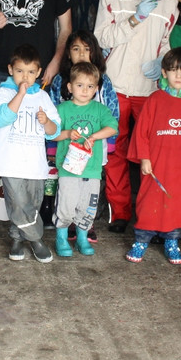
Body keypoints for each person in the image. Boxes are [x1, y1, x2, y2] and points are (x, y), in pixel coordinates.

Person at [93, 0, 179, 234]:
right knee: (114, 151)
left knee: (151, 154)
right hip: (115, 86)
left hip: (149, 90)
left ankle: (149, 215)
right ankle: (119, 211)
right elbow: (101, 38)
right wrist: (134, 19)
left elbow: (165, 41)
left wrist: (162, 61)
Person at [125, 48, 181, 265]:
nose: (178, 75)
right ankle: (141, 241)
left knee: (177, 204)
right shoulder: (155, 99)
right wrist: (144, 157)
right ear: (164, 72)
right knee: (148, 201)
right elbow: (141, 132)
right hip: (156, 165)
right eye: (172, 70)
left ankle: (172, 242)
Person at [0, 44, 62, 262]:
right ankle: (37, 240)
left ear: (38, 72)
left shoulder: (42, 97)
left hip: (35, 165)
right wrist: (20, 94)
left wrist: (46, 122)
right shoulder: (3, 93)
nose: (25, 77)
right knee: (19, 203)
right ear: (10, 69)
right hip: (10, 163)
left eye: (30, 72)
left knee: (32, 204)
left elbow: (55, 131)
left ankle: (17, 238)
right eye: (20, 71)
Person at [48, 29, 120, 243]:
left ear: (94, 52)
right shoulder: (60, 80)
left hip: (94, 150)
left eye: (86, 49)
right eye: (76, 49)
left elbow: (113, 112)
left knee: (90, 191)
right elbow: (52, 117)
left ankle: (85, 227)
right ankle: (66, 226)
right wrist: (51, 148)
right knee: (68, 189)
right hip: (66, 150)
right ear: (67, 53)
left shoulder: (103, 81)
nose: (81, 53)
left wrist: (109, 143)